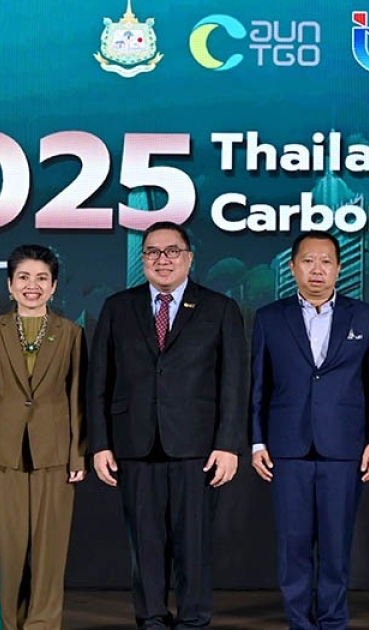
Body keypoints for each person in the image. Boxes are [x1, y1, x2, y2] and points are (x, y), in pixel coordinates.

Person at [88, 222, 249, 630]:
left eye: (172, 251)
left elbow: (234, 382)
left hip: (198, 447)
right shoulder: (117, 307)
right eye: (153, 252)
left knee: (194, 542)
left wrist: (228, 444)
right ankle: (152, 618)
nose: (163, 260)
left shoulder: (219, 308)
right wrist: (100, 444)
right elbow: (98, 381)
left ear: (189, 258)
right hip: (134, 443)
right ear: (143, 259)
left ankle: (193, 618)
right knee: (144, 542)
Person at [249, 231, 369, 630]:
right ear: (293, 267)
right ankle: (298, 621)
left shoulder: (365, 316)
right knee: (292, 544)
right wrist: (257, 441)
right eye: (308, 261)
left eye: (326, 261)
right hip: (286, 448)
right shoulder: (269, 317)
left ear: (339, 268)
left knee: (336, 545)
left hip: (344, 448)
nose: (317, 269)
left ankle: (332, 620)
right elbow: (259, 385)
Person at [0, 244, 86, 630]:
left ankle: (43, 624)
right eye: (23, 277)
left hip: (55, 455)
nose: (32, 286)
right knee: (9, 549)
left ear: (53, 287)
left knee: (51, 552)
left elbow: (78, 396)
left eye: (41, 278)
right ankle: (10, 623)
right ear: (10, 285)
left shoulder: (71, 333)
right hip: (2, 454)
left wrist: (78, 454)